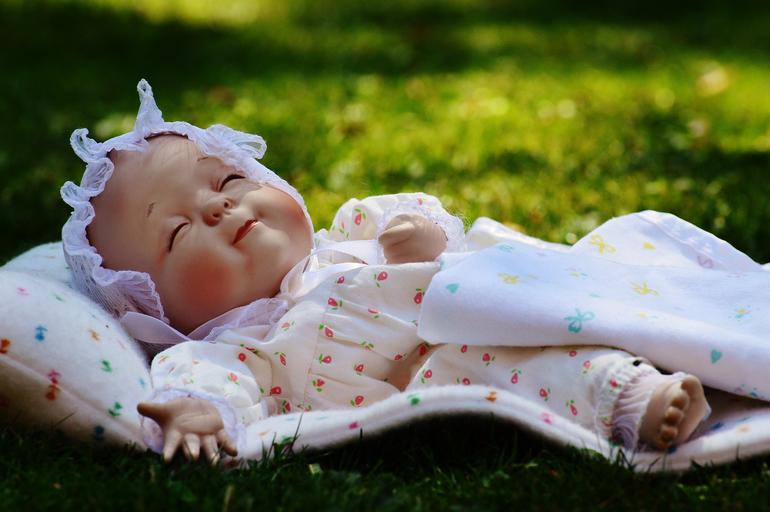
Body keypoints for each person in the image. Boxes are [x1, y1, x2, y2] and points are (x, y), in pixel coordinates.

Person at [61, 80, 709, 464]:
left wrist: (426, 237)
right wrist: (200, 414)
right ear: (154, 312)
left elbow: (435, 229)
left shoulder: (352, 232)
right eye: (177, 232)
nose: (218, 206)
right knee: (526, 370)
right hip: (441, 373)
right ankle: (628, 397)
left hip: (489, 307)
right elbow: (205, 385)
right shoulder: (244, 347)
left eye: (228, 180)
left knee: (558, 313)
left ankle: (661, 330)